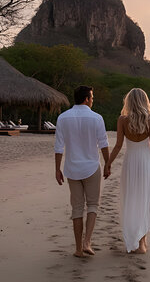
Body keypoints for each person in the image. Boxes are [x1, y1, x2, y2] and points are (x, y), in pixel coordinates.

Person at [104, 88, 150, 254]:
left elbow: (118, 145)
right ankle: (142, 242)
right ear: (145, 101)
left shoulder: (122, 120)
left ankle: (135, 239)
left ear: (129, 101)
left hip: (131, 162)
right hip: (146, 163)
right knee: (145, 199)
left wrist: (108, 163)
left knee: (132, 199)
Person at [54, 85, 109, 258]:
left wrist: (57, 169)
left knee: (77, 208)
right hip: (92, 167)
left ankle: (78, 249)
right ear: (86, 99)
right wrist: (108, 163)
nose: (92, 100)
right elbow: (104, 143)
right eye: (92, 97)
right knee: (92, 205)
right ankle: (87, 242)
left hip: (71, 168)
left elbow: (58, 146)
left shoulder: (63, 118)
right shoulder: (97, 118)